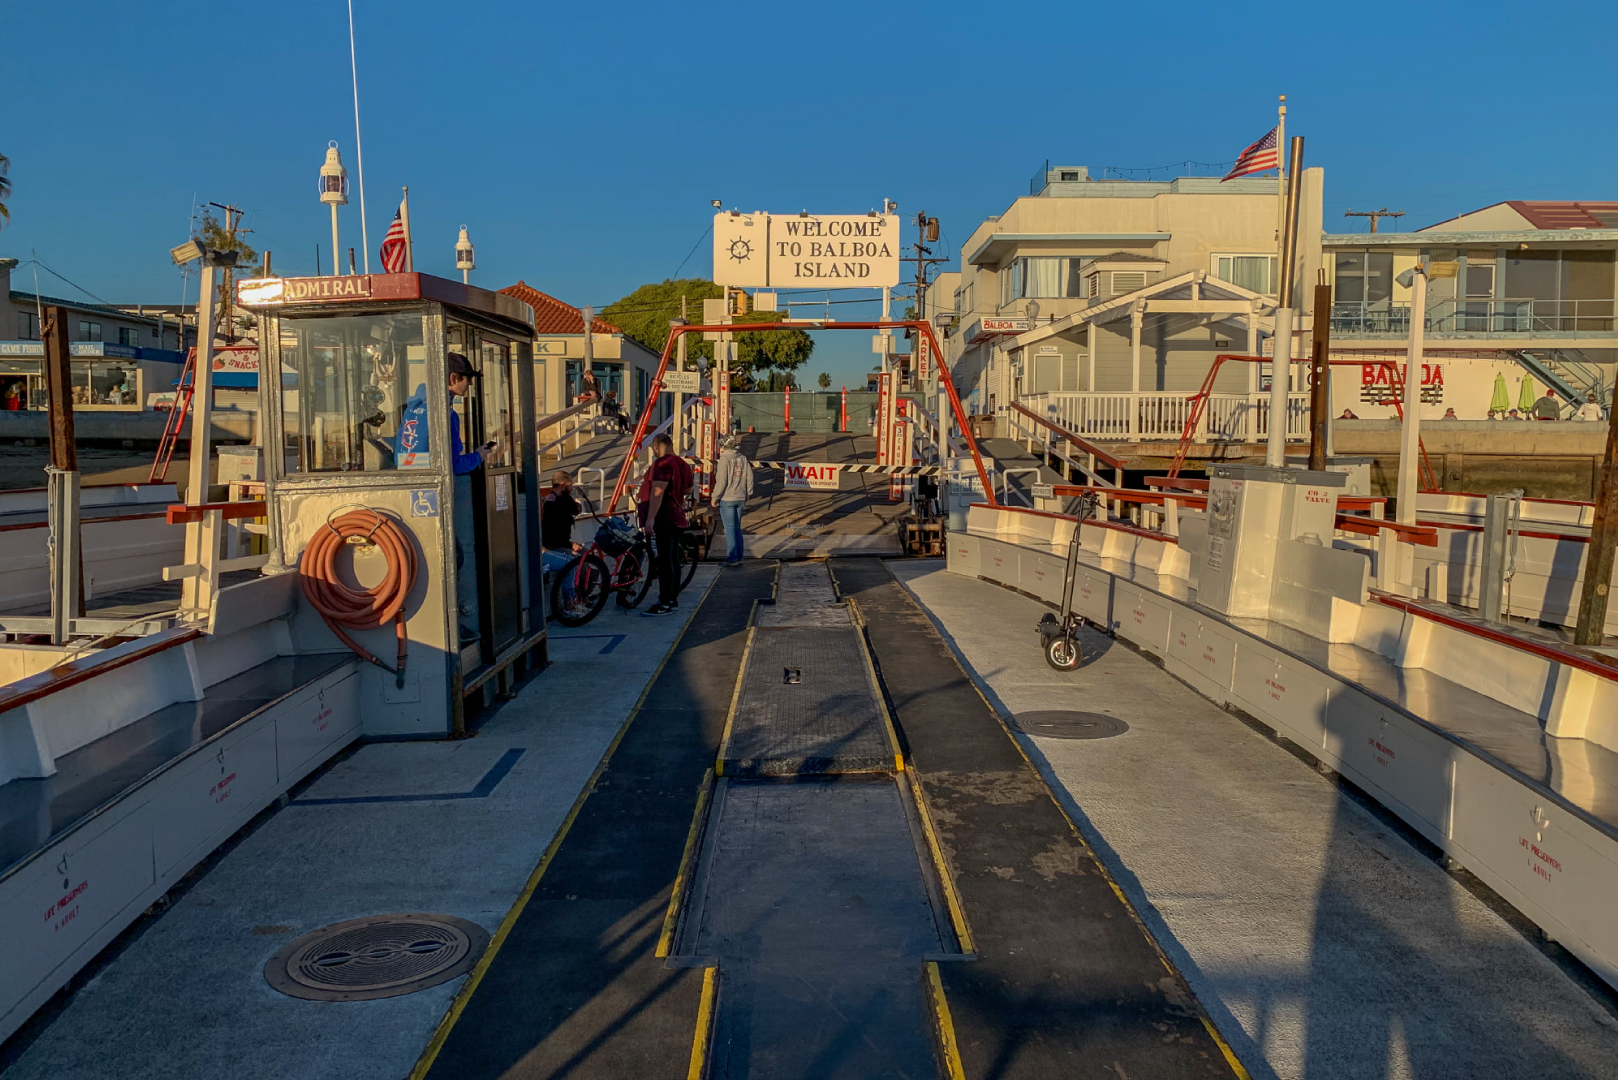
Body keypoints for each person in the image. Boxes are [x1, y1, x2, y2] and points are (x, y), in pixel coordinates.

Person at [639, 432, 694, 616]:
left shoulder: (662, 464)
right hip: (677, 516)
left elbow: (657, 492)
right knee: (672, 560)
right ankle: (673, 599)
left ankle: (664, 602)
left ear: (656, 446)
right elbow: (688, 488)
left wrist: (650, 518)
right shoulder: (682, 464)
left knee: (664, 561)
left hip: (664, 516)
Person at [709, 434, 754, 567]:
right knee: (737, 528)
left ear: (724, 446)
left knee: (729, 529)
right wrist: (748, 492)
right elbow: (749, 477)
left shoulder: (725, 459)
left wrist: (715, 497)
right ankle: (740, 556)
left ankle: (731, 558)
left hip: (727, 498)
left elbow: (721, 481)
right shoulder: (742, 458)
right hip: (740, 497)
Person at [541, 470, 584, 575]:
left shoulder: (554, 499)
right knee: (582, 561)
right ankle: (577, 589)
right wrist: (570, 544)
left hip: (561, 543)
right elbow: (576, 510)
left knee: (586, 554)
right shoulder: (558, 502)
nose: (571, 488)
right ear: (563, 485)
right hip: (554, 546)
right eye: (570, 485)